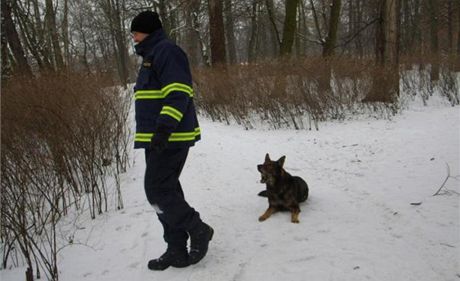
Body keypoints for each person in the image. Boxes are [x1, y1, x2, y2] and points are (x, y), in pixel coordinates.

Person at [130, 11, 213, 271]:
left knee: (157, 191)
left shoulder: (166, 52)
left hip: (170, 136)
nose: (133, 36)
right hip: (157, 138)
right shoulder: (150, 56)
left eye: (136, 31)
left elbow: (178, 92)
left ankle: (198, 229)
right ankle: (176, 248)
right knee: (167, 190)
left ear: (148, 31)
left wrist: (164, 129)